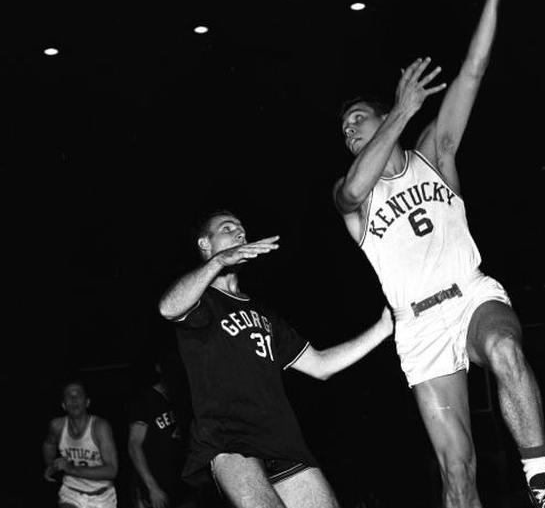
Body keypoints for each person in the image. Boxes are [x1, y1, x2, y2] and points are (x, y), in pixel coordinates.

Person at [333, 0, 545, 508]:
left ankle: (542, 485)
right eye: (345, 131)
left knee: (509, 352)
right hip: (416, 327)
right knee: (457, 474)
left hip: (469, 296)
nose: (351, 131)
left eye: (359, 119)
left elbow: (472, 71)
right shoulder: (350, 192)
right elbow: (349, 194)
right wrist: (400, 112)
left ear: (383, 116)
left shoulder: (435, 152)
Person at [158, 209, 395, 508]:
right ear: (205, 243)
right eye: (228, 228)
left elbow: (320, 365)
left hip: (281, 439)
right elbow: (168, 308)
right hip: (229, 440)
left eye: (242, 228)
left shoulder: (265, 314)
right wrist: (218, 261)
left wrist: (383, 328)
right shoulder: (201, 301)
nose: (239, 232)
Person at [128, 362, 196, 508]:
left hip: (182, 488)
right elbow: (134, 445)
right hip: (155, 490)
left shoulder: (183, 399)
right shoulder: (145, 400)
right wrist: (152, 487)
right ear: (159, 367)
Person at [43, 381, 120, 508]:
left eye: (79, 395)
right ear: (63, 405)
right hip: (71, 492)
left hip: (102, 496)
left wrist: (71, 469)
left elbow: (112, 470)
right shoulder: (57, 426)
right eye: (69, 395)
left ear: (87, 402)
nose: (74, 399)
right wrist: (51, 465)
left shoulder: (100, 427)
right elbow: (48, 444)